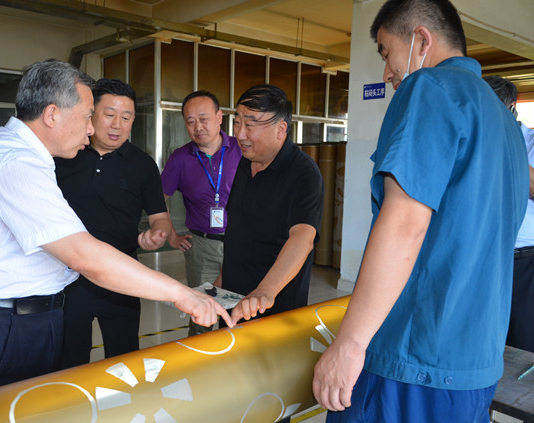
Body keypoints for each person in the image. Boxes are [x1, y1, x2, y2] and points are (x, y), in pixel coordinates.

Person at [0, 59, 232, 400]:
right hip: (2, 329)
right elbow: (83, 256)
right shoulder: (15, 162)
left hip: (11, 318)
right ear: (52, 114)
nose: (91, 129)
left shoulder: (17, 154)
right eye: (87, 116)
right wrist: (183, 294)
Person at [312, 1, 528, 422]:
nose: (386, 72)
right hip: (475, 361)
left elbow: (406, 222)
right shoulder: (503, 121)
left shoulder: (430, 87)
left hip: (413, 358)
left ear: (421, 40)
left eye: (386, 52)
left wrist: (350, 343)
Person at [55, 78, 171, 368]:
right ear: (91, 113)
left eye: (126, 117)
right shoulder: (64, 156)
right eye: (109, 114)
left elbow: (160, 217)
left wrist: (157, 233)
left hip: (122, 277)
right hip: (67, 279)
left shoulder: (142, 165)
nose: (117, 124)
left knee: (124, 360)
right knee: (70, 361)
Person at [222, 84, 324, 325]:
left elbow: (302, 237)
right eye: (237, 123)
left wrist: (264, 291)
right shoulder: (245, 162)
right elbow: (240, 234)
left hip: (274, 306)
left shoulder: (304, 173)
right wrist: (218, 287)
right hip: (233, 300)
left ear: (281, 129)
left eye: (250, 124)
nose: (240, 134)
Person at [161, 90, 242, 335]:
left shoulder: (242, 150)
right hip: (202, 248)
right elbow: (158, 200)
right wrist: (171, 235)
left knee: (240, 310)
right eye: (190, 121)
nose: (198, 127)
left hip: (242, 244)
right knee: (202, 315)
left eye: (204, 119)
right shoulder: (180, 158)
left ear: (219, 117)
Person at [484, 75, 534, 353]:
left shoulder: (530, 143)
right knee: (487, 339)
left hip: (524, 261)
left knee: (523, 342)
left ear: (510, 109)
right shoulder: (478, 142)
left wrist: (509, 149)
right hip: (486, 259)